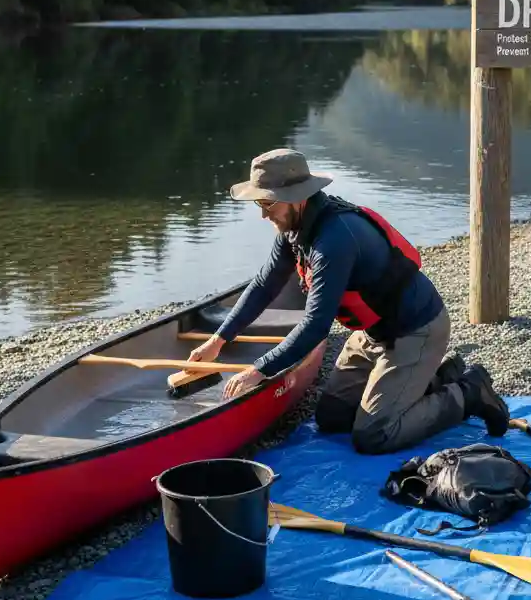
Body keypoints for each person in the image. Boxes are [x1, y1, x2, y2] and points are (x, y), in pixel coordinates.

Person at [186, 147, 509, 455]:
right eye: (259, 203)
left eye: (267, 204)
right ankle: (438, 377)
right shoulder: (295, 228)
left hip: (414, 332)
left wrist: (258, 370)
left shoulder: (335, 239)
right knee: (333, 419)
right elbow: (264, 285)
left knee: (374, 435)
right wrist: (219, 339)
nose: (262, 214)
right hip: (372, 333)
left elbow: (315, 325)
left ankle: (469, 392)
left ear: (296, 198)